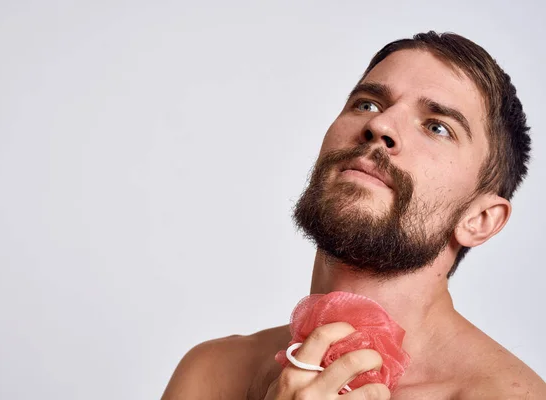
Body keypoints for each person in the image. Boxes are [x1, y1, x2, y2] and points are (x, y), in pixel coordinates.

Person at [161, 31, 546, 399]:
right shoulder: (212, 372)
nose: (379, 125)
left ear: (480, 220)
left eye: (437, 127)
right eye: (368, 104)